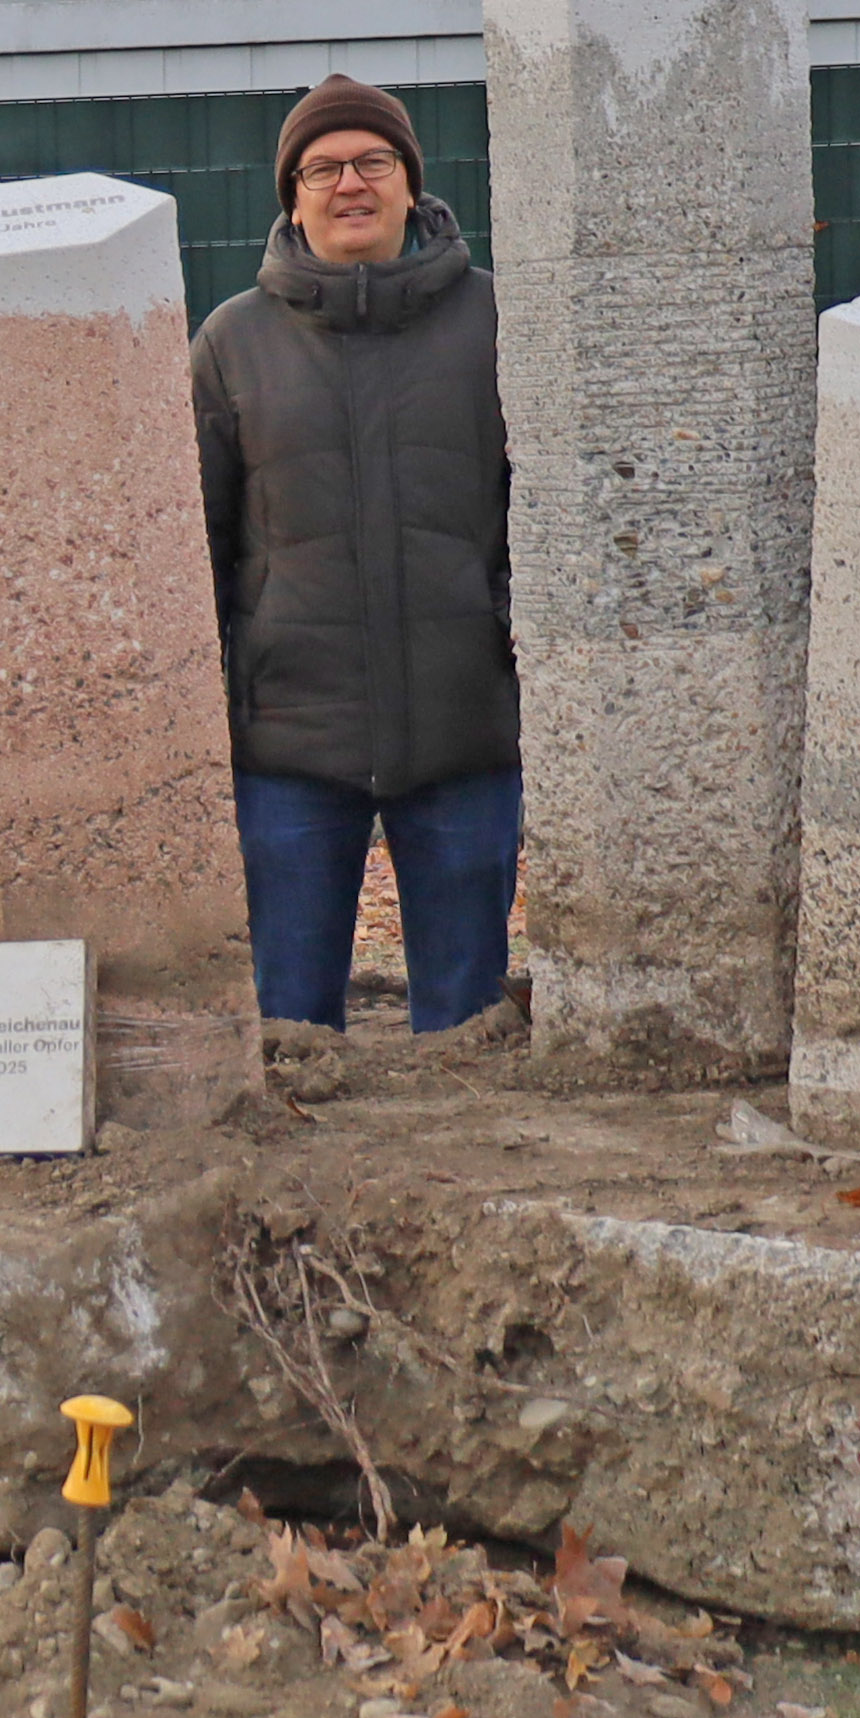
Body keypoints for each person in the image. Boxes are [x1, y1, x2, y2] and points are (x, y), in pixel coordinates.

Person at [193, 75, 518, 1036]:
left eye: (372, 161)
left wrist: (503, 642)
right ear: (291, 194)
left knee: (463, 1035)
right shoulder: (230, 344)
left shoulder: (497, 325)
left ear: (410, 182)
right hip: (289, 745)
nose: (350, 183)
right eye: (322, 167)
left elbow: (537, 515)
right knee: (288, 1032)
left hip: (463, 732)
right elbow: (198, 548)